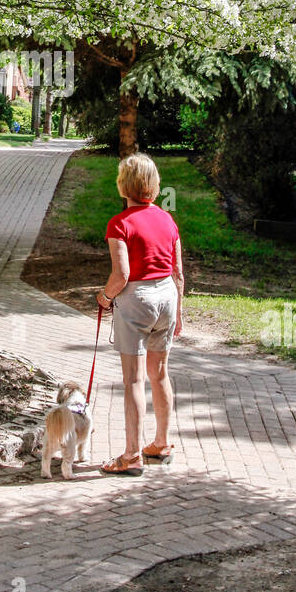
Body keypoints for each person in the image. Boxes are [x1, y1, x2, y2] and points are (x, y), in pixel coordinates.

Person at [96, 153, 184, 476]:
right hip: (167, 297)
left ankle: (132, 454)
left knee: (133, 378)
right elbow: (178, 273)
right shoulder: (168, 220)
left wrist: (104, 298)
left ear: (124, 185)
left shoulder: (119, 224)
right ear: (154, 185)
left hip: (137, 299)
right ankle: (161, 444)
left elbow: (121, 275)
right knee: (159, 373)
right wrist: (180, 314)